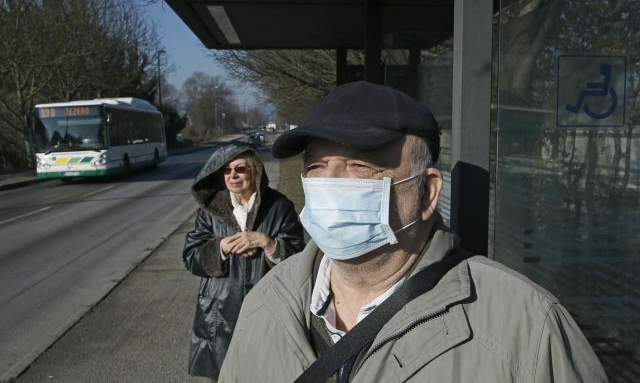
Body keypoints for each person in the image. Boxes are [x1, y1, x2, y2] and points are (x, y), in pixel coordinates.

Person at [218, 82, 607, 382]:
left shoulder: (528, 328)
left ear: (426, 192)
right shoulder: (267, 304)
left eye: (360, 167)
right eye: (317, 167)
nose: (330, 184)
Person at [183, 142, 305, 381]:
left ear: (255, 171)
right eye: (227, 171)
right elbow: (190, 256)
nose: (233, 175)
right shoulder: (209, 212)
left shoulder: (279, 207)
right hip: (220, 313)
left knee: (267, 373)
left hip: (268, 306)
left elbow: (299, 259)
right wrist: (220, 247)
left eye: (241, 169)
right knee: (225, 374)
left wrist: (267, 243)